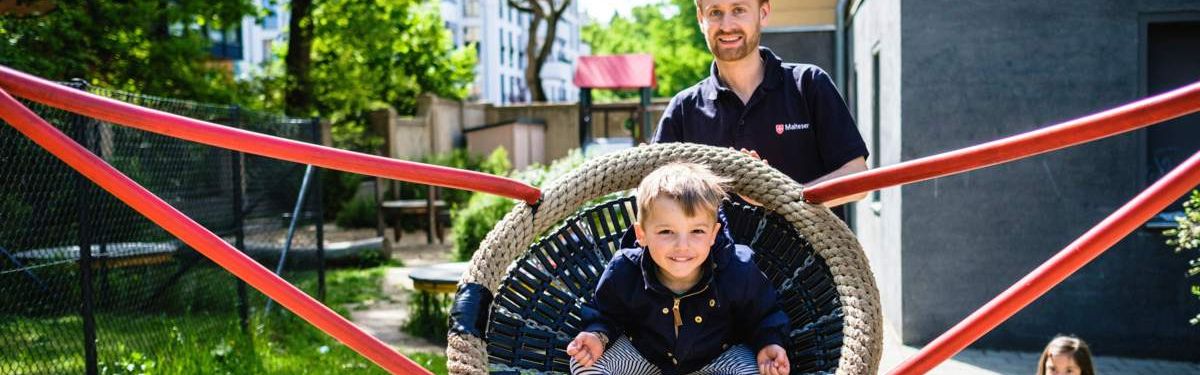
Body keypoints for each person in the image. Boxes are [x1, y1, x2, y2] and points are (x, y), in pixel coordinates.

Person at [567, 163, 791, 375]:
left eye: (697, 232)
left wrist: (769, 343)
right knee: (584, 366)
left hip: (719, 355)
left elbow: (764, 314)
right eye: (666, 232)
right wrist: (598, 336)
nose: (682, 245)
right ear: (642, 235)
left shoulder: (737, 270)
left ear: (713, 234)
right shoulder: (624, 269)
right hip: (644, 354)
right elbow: (605, 312)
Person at [653, 0, 870, 211]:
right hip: (717, 249)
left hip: (806, 248)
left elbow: (857, 180)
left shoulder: (809, 84)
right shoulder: (684, 109)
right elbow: (655, 193)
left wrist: (775, 197)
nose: (727, 26)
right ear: (701, 19)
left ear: (763, 13)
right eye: (715, 12)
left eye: (738, 10)